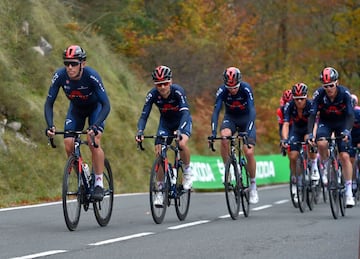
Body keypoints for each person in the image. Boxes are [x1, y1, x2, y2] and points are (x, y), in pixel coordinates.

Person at [44, 45, 111, 201]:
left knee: (93, 140)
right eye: (67, 63)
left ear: (83, 64)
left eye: (74, 63)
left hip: (96, 109)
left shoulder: (92, 76)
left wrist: (95, 126)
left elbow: (106, 105)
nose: (69, 67)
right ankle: (83, 174)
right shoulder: (59, 76)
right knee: (68, 143)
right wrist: (50, 125)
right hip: (76, 110)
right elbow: (49, 103)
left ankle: (99, 182)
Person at [135, 65, 193, 206]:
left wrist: (180, 130)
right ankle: (160, 190)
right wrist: (140, 131)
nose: (162, 87)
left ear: (170, 82)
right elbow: (144, 115)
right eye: (159, 84)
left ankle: (187, 171)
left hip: (182, 122)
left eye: (165, 83)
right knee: (160, 153)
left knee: (181, 143)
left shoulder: (178, 91)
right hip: (165, 124)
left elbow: (185, 112)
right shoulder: (152, 94)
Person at [209, 67, 258, 204]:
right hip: (230, 118)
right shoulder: (222, 91)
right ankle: (228, 169)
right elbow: (216, 112)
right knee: (224, 137)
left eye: (235, 87)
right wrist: (213, 132)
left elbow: (252, 111)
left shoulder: (246, 89)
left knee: (248, 152)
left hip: (246, 119)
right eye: (229, 88)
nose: (232, 90)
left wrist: (247, 131)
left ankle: (253, 185)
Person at [307, 67, 355, 207]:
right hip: (325, 123)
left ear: (337, 83)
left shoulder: (345, 93)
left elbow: (351, 115)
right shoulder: (319, 94)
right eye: (325, 86)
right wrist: (310, 133)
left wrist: (347, 131)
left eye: (331, 85)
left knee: (345, 157)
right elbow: (312, 114)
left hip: (342, 123)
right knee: (321, 144)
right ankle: (327, 165)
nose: (328, 89)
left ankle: (348, 192)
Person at [281, 83, 319, 203]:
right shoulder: (289, 106)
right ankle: (294, 178)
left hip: (309, 128)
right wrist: (284, 139)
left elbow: (315, 123)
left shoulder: (311, 105)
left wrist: (313, 136)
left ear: (306, 97)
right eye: (296, 99)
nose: (299, 101)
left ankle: (313, 166)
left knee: (310, 142)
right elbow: (286, 124)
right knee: (292, 155)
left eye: (302, 98)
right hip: (296, 130)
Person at [349, 94, 360, 195]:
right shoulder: (345, 114)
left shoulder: (358, 112)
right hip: (351, 138)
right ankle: (353, 181)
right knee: (351, 160)